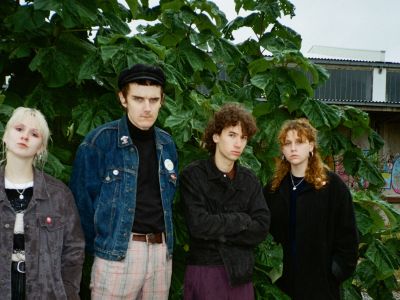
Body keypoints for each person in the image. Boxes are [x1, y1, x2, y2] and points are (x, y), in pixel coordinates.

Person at [70, 63, 178, 299]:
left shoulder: (167, 145)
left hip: (161, 253)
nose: (147, 108)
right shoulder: (99, 142)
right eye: (138, 99)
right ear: (123, 98)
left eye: (153, 99)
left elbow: (169, 199)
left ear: (162, 100)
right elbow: (81, 207)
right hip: (118, 253)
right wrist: (102, 246)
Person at [180, 103, 270, 300]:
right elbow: (199, 225)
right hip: (205, 271)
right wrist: (242, 220)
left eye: (243, 137)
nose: (238, 143)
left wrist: (219, 229)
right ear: (216, 136)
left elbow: (262, 228)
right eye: (232, 135)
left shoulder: (249, 180)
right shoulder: (193, 176)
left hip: (241, 274)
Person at [263, 118, 359, 300]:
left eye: (299, 142)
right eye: (287, 143)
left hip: (321, 286)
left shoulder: (332, 186)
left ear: (311, 146)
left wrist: (335, 272)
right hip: (282, 285)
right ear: (282, 149)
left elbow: (349, 236)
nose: (293, 148)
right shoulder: (273, 189)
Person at [0, 107, 84, 299]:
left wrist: (68, 293)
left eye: (34, 134)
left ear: (41, 147)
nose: (25, 137)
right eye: (19, 129)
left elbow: (74, 251)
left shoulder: (59, 195)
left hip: (45, 293)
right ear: (5, 136)